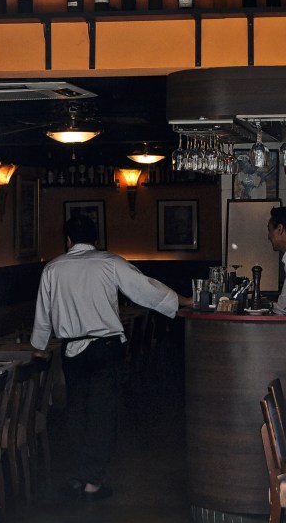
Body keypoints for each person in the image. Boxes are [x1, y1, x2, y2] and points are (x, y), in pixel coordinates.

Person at [31, 214, 192, 500]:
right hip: (106, 348)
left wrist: (40, 348)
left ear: (68, 240)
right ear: (96, 239)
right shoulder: (109, 262)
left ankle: (82, 473)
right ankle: (93, 480)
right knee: (103, 413)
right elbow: (146, 288)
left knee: (77, 411)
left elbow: (43, 313)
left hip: (72, 350)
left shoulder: (52, 269)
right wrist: (182, 301)